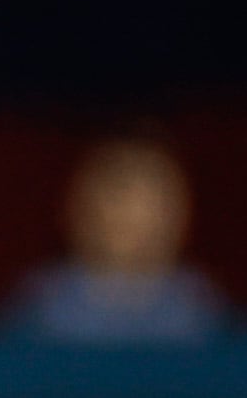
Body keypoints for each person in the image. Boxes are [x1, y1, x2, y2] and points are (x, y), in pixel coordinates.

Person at [16, 136, 222, 345]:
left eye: (151, 200)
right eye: (117, 194)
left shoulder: (196, 305)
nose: (131, 215)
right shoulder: (45, 302)